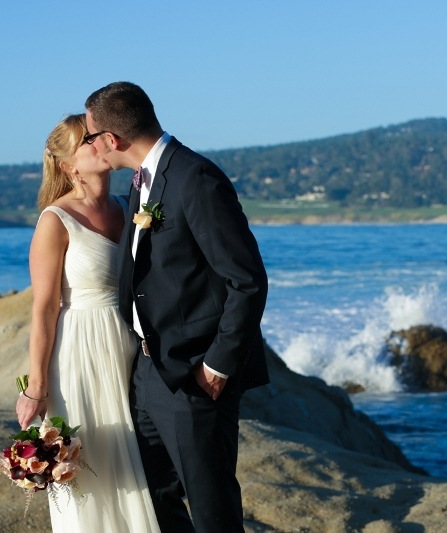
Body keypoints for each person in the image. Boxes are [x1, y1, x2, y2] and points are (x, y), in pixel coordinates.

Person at [84, 81, 269, 533]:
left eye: (90, 137)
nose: (90, 146)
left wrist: (218, 366)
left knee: (211, 510)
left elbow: (246, 280)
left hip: (195, 375)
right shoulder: (139, 181)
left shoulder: (195, 178)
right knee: (153, 499)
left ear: (112, 140)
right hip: (149, 371)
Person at [15, 114, 160, 532]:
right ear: (68, 165)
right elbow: (44, 308)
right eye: (87, 141)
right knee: (92, 463)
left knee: (136, 462)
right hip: (79, 354)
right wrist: (37, 385)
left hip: (128, 346)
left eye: (98, 136)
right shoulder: (54, 220)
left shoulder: (128, 207)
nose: (99, 143)